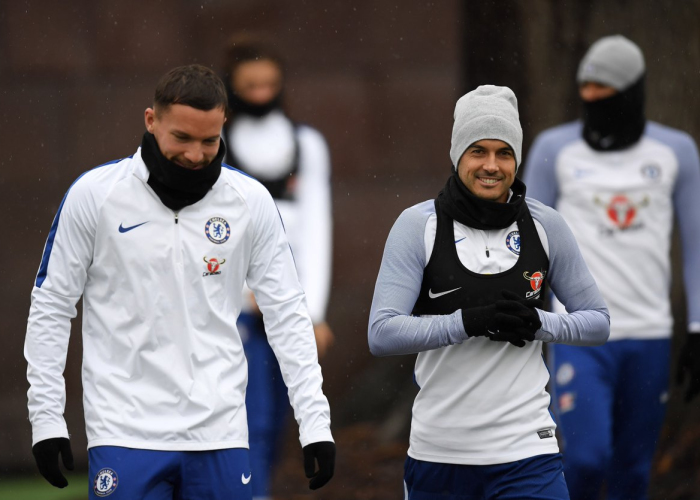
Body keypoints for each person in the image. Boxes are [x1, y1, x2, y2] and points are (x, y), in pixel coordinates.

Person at [25, 64, 335, 500]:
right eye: (182, 138)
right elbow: (52, 305)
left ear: (224, 123)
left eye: (209, 140)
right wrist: (46, 419)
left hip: (221, 432)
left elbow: (287, 312)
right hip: (124, 430)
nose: (195, 154)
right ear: (151, 120)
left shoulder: (249, 202)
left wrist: (315, 423)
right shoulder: (95, 195)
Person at [368, 85, 610, 499]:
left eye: (504, 153)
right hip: (440, 455)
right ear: (457, 155)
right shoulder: (418, 226)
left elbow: (597, 322)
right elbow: (382, 333)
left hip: (527, 453)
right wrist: (466, 322)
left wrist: (539, 323)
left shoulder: (546, 225)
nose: (491, 166)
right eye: (478, 151)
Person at [523, 35, 700, 500]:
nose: (595, 106)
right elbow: (525, 244)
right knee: (584, 460)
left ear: (633, 94)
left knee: (633, 473)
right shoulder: (554, 150)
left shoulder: (676, 152)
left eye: (607, 97)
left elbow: (697, 243)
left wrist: (698, 326)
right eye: (587, 96)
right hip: (579, 335)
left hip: (649, 336)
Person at [220, 36, 334, 499]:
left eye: (270, 83)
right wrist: (238, 290)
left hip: (287, 305)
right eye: (250, 85)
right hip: (236, 307)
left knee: (278, 418)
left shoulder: (306, 144)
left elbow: (316, 226)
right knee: (248, 414)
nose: (261, 93)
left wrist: (315, 310)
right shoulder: (217, 142)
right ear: (232, 86)